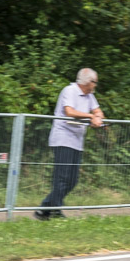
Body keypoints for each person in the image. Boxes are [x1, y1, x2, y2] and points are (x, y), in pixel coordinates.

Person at [39, 68, 104, 219]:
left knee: (72, 180)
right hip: (63, 139)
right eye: (95, 82)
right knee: (62, 177)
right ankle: (55, 210)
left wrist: (98, 118)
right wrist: (90, 116)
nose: (95, 86)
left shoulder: (90, 96)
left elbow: (98, 112)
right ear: (88, 82)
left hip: (77, 141)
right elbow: (69, 111)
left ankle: (44, 208)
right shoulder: (69, 90)